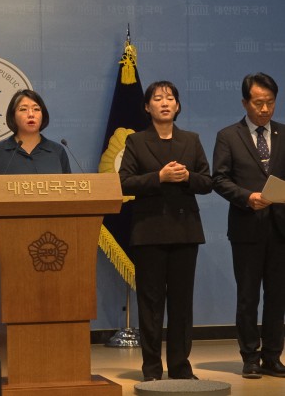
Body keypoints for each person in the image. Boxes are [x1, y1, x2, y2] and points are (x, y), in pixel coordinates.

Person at [119, 81, 212, 381]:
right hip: (149, 232)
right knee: (151, 303)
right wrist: (158, 177)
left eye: (170, 98)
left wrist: (187, 177)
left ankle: (181, 367)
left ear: (178, 105)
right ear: (147, 107)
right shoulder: (136, 141)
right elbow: (123, 182)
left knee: (182, 304)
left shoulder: (191, 140)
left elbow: (207, 182)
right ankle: (151, 369)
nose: (165, 102)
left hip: (185, 231)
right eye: (158, 98)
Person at [213, 72, 285, 379]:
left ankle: (273, 356)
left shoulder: (284, 133)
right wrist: (247, 197)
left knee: (278, 296)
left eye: (270, 102)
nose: (265, 109)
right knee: (248, 296)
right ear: (245, 103)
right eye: (258, 103)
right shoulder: (229, 136)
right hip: (246, 228)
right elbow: (219, 179)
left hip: (280, 229)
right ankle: (250, 357)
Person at [0, 89, 71, 174]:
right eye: (23, 109)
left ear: (43, 115)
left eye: (36, 109)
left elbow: (68, 183)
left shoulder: (57, 151)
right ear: (13, 116)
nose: (31, 114)